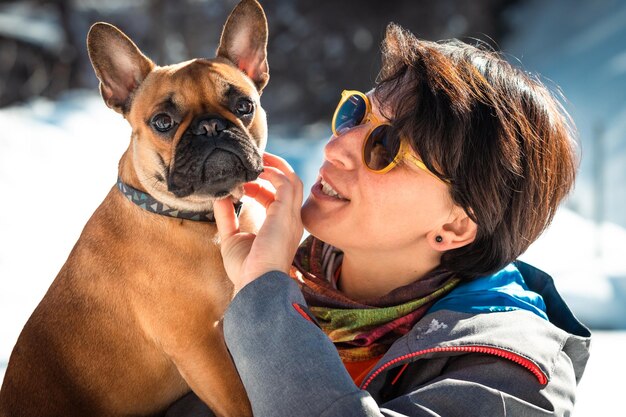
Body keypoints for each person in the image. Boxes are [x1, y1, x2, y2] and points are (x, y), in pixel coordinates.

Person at [167, 23, 590, 417]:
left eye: (384, 146)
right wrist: (252, 289)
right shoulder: (257, 288)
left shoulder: (513, 379)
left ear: (456, 226)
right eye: (356, 114)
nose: (335, 147)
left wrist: (264, 298)